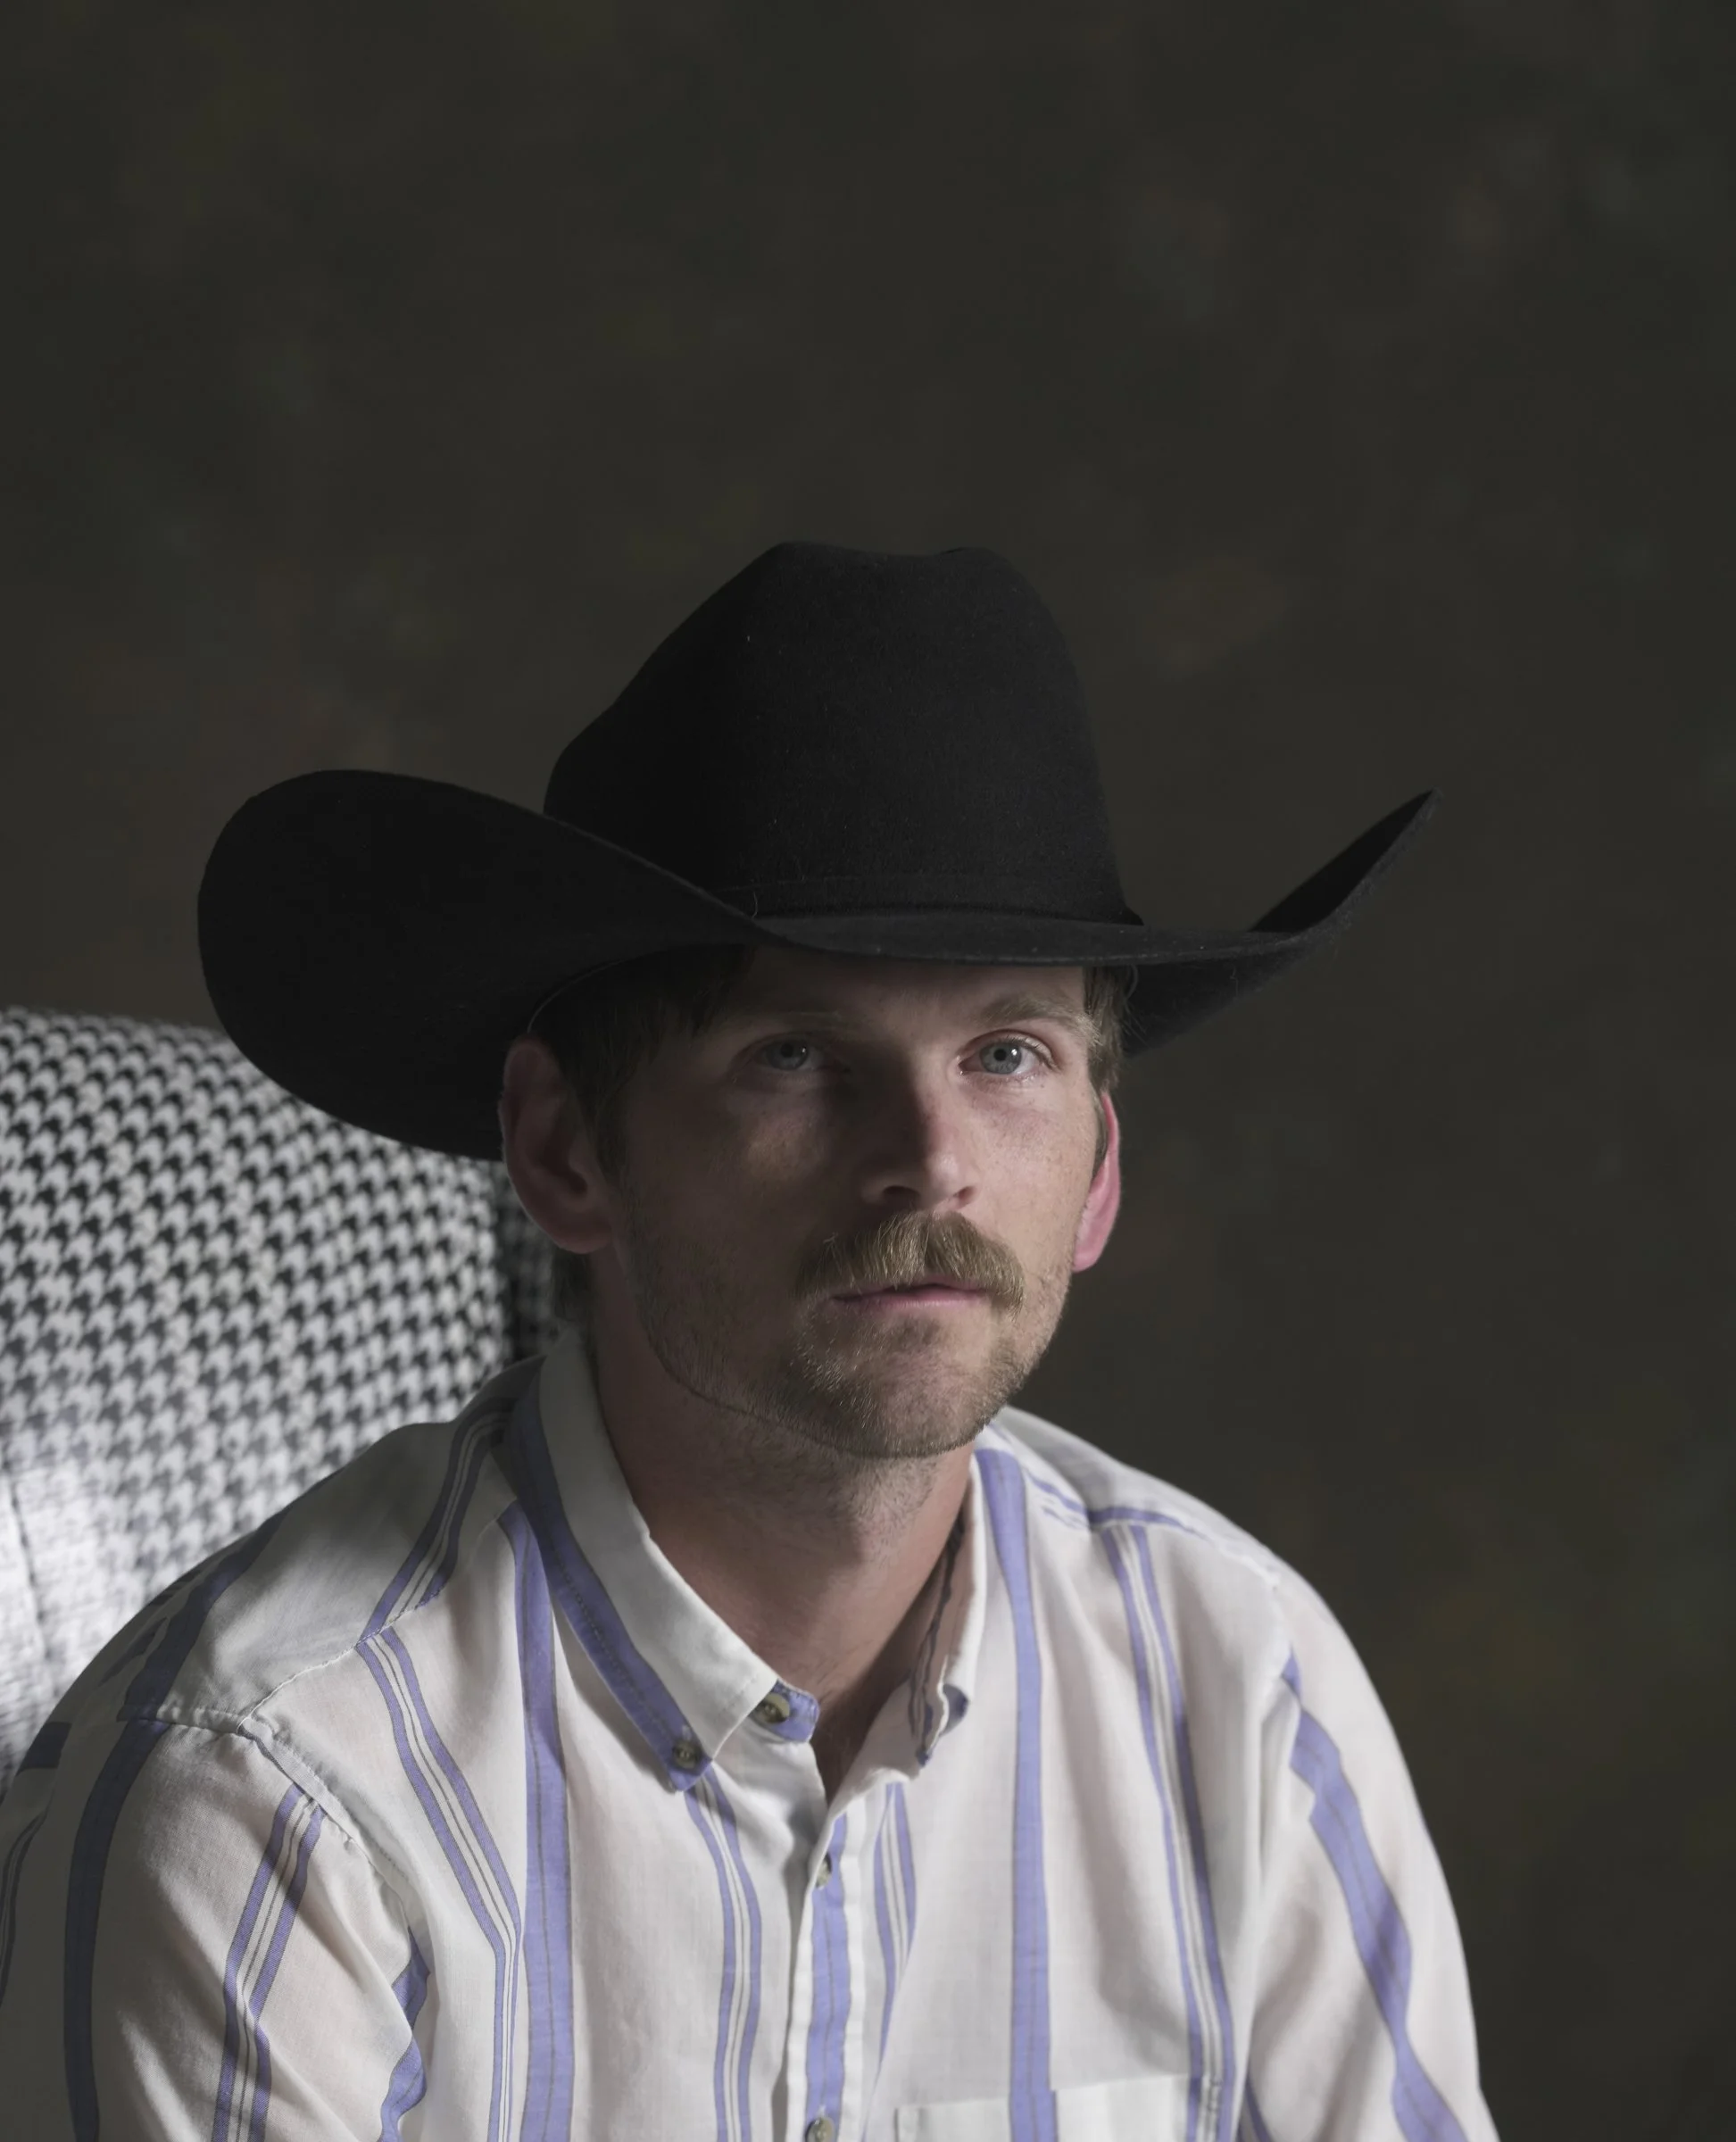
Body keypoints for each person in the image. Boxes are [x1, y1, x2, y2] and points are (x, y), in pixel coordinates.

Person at [0, 542, 1498, 2139]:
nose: (929, 1159)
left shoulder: (1242, 1693)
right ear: (568, 1152)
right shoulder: (262, 1801)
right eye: (795, 1056)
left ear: (1099, 1174)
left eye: (1008, 1052)